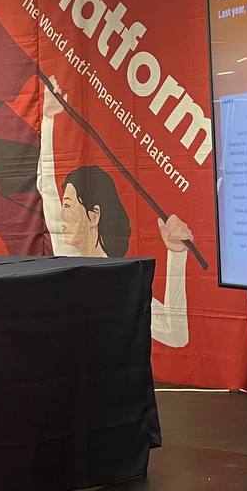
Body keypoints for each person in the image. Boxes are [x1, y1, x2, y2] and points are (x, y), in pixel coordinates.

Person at [38, 78, 191, 348]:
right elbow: (47, 188)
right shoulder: (67, 255)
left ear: (94, 215)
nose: (61, 215)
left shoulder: (120, 281)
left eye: (69, 205)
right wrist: (48, 119)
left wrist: (177, 255)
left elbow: (176, 334)